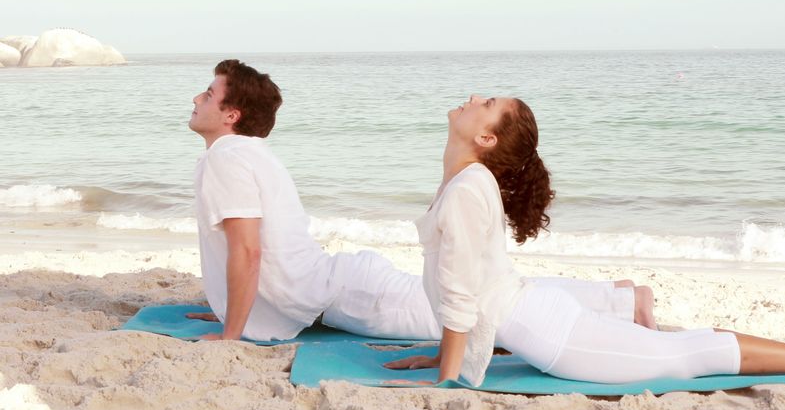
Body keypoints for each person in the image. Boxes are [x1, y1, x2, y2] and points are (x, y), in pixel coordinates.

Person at [385, 95, 785, 386]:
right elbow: (466, 288)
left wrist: (448, 378)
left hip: (552, 335)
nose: (474, 99)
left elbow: (461, 295)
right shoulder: (463, 182)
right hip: (535, 315)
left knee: (682, 357)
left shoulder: (467, 189)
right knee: (680, 348)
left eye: (486, 104)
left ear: (487, 140)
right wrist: (444, 355)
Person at [186, 59, 656, 342]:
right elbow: (253, 250)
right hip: (343, 287)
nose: (196, 98)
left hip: (353, 295)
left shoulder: (228, 157)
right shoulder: (244, 153)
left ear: (231, 114)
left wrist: (231, 336)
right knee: (489, 299)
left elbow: (249, 251)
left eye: (208, 93)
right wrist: (229, 303)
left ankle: (620, 301)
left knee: (488, 312)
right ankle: (617, 296)